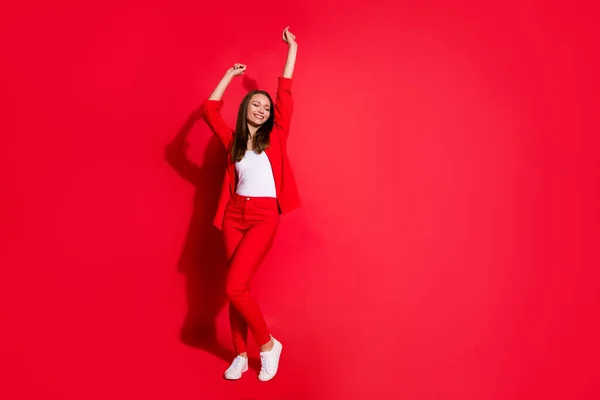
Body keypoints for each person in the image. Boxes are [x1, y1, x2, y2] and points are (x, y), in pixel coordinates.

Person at [201, 26, 301, 381]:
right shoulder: (233, 140)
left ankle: (269, 345)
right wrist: (229, 75)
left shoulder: (278, 135)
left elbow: (284, 92)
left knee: (234, 286)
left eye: (266, 107)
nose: (261, 109)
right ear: (246, 109)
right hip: (233, 214)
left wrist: (292, 50)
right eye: (255, 105)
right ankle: (240, 354)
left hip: (263, 216)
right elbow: (210, 110)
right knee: (235, 287)